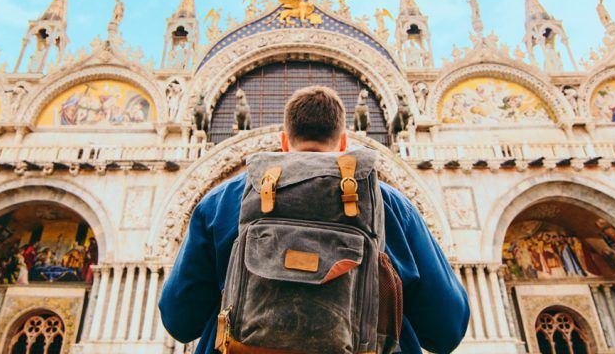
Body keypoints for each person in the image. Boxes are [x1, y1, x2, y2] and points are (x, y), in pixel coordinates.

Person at [159, 86, 469, 354]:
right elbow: (446, 329)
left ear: (284, 142)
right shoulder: (392, 206)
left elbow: (179, 320)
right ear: (344, 143)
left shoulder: (222, 202)